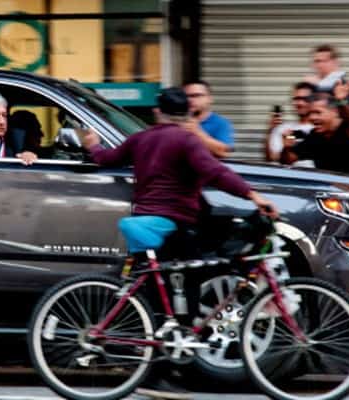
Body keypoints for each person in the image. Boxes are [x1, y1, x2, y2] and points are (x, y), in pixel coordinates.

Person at [81, 87, 278, 398]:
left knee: (162, 298)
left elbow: (108, 158)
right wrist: (253, 195)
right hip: (173, 225)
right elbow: (216, 172)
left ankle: (166, 363)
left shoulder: (142, 138)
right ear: (187, 113)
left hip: (148, 222)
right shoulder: (186, 140)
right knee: (188, 286)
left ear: (158, 113)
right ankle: (161, 372)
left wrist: (92, 145)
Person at [281, 80, 349, 175]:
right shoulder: (315, 136)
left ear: (334, 111)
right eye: (310, 113)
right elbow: (290, 160)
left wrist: (341, 101)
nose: (312, 118)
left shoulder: (347, 130)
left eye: (318, 112)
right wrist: (286, 147)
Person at [265, 82, 316, 166]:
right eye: (296, 99)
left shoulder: (321, 128)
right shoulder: (285, 129)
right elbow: (272, 159)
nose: (299, 103)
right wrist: (270, 131)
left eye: (305, 99)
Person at [182, 80, 234, 158]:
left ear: (209, 99)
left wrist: (197, 132)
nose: (189, 100)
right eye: (185, 96)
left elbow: (225, 152)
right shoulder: (175, 121)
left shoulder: (219, 123)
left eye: (196, 95)